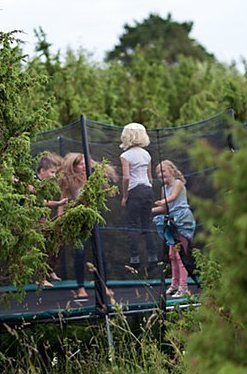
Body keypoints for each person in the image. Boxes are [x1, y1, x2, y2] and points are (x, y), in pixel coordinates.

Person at [57, 152, 117, 300]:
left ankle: (104, 285)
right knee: (79, 253)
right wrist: (59, 219)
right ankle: (81, 287)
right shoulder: (70, 181)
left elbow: (104, 188)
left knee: (100, 253)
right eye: (80, 164)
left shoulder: (93, 177)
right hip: (79, 220)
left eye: (85, 163)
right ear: (74, 166)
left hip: (94, 218)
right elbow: (63, 201)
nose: (83, 166)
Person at [152, 160, 196, 297]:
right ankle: (174, 284)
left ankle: (183, 287)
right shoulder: (163, 189)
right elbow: (164, 207)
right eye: (158, 173)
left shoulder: (178, 183)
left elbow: (173, 197)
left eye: (163, 171)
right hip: (172, 220)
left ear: (171, 170)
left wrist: (163, 201)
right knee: (172, 255)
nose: (160, 174)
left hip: (183, 220)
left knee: (180, 254)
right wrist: (150, 209)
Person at [119, 123, 158, 271]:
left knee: (132, 225)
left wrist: (125, 196)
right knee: (147, 225)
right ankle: (152, 258)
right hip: (147, 189)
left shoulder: (125, 156)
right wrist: (148, 190)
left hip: (134, 190)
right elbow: (150, 177)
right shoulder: (146, 154)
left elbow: (126, 177)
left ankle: (134, 259)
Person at [32, 153, 68, 285]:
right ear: (42, 171)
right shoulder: (32, 181)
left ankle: (49, 269)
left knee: (58, 238)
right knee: (40, 246)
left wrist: (59, 204)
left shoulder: (41, 184)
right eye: (52, 172)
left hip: (39, 218)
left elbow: (43, 201)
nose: (53, 176)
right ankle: (40, 278)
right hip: (31, 219)